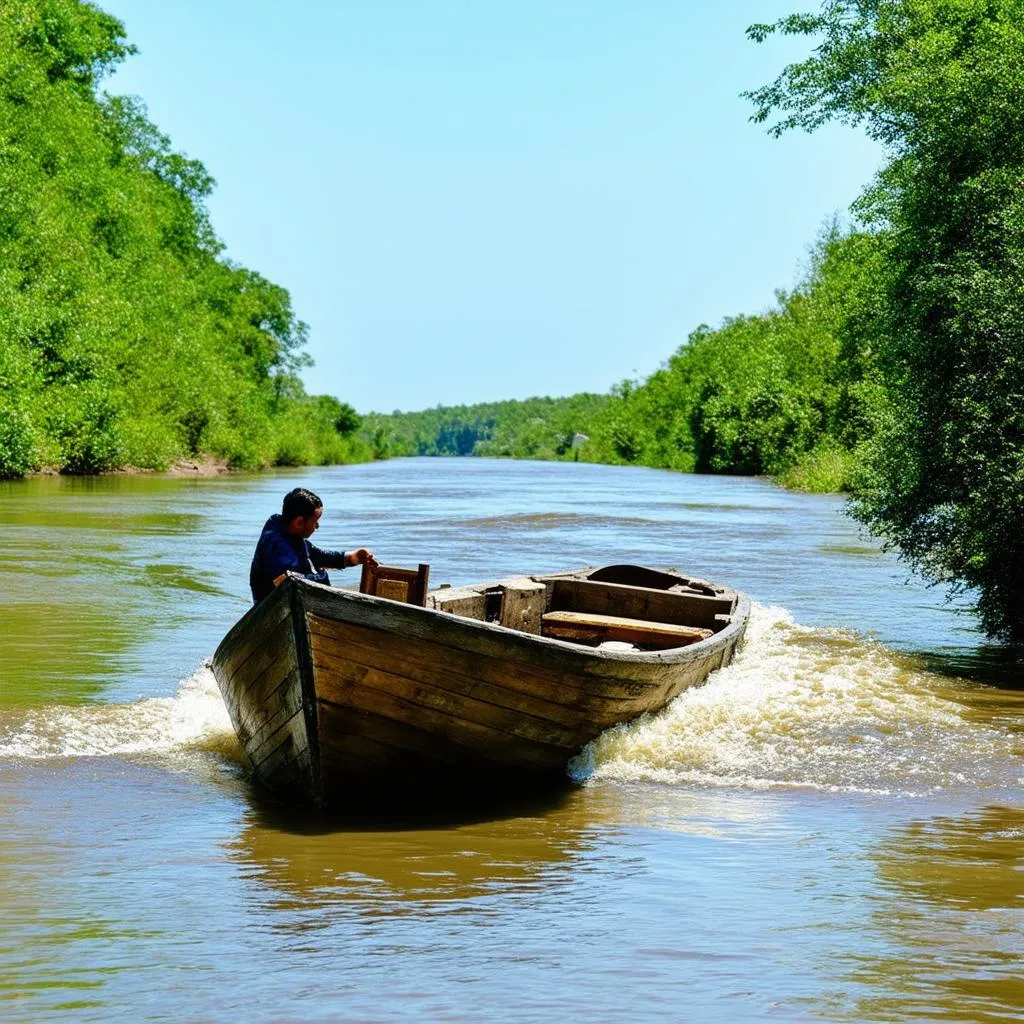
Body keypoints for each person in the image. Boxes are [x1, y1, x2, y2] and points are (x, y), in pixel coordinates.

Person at [249, 487, 377, 603]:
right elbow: (289, 581)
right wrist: (322, 575)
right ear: (299, 522)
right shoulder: (276, 546)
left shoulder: (289, 534)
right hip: (277, 608)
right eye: (315, 521)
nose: (317, 526)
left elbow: (319, 556)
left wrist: (354, 557)